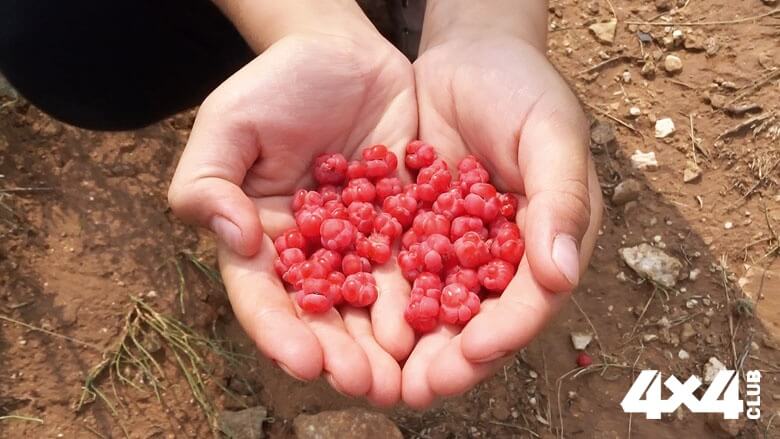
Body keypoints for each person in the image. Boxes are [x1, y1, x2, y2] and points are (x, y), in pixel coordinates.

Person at [1, 0, 602, 408]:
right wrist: (311, 26)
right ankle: (351, 21)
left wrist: (489, 31)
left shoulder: (423, 220)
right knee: (52, 40)